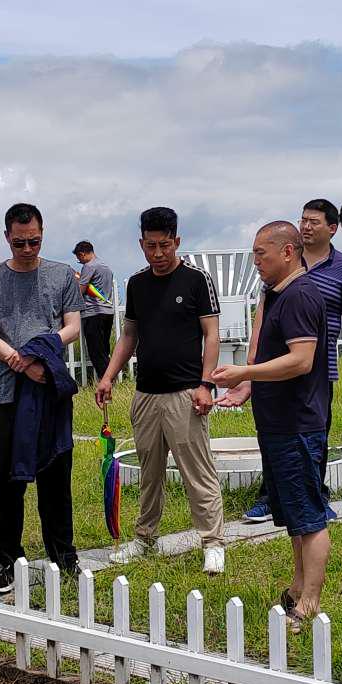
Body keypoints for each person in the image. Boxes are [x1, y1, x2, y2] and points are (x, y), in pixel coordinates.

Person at [95, 208, 225, 574]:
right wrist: (107, 376)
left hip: (186, 393)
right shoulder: (137, 284)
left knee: (197, 472)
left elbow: (211, 336)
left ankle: (213, 542)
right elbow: (129, 336)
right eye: (150, 246)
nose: (157, 253)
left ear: (177, 242)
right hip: (146, 394)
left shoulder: (197, 280)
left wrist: (206, 384)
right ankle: (144, 537)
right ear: (141, 244)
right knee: (148, 472)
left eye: (164, 245)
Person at [211, 221, 330, 623]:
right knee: (293, 513)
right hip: (278, 422)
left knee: (310, 515)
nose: (256, 261)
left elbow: (301, 361)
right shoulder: (276, 294)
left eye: (262, 253)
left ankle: (309, 602)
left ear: (288, 252)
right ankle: (297, 585)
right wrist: (249, 386)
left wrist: (245, 375)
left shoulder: (300, 295)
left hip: (299, 423)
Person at [0, 202, 86, 581]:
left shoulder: (61, 276)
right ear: (7, 238)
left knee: (56, 475)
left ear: (42, 235)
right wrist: (19, 360)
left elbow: (73, 325)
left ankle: (63, 556)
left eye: (33, 241)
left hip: (49, 387)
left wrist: (42, 350)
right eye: (19, 242)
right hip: (8, 392)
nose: (26, 249)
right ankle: (6, 560)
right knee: (8, 480)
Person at [234, 198, 342, 522]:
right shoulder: (282, 266)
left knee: (312, 433)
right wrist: (250, 373)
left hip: (316, 367)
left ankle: (314, 501)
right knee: (274, 432)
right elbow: (261, 320)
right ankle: (271, 497)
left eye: (314, 221)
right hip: (272, 369)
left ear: (332, 229)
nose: (307, 226)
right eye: (303, 220)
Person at [73, 240, 118, 381]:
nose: (80, 262)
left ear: (83, 254)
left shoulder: (89, 266)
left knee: (95, 351)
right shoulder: (106, 267)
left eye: (79, 259)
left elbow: (82, 289)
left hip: (93, 312)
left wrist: (76, 282)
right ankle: (111, 379)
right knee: (104, 350)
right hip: (107, 312)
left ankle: (106, 381)